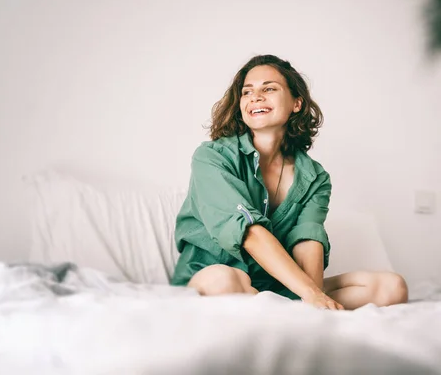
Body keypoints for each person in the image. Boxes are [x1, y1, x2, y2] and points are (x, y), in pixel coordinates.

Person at [171, 55, 408, 310]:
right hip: (214, 277)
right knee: (224, 281)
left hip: (277, 286)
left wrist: (314, 299)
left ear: (296, 103)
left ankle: (285, 311)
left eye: (269, 88)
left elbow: (308, 239)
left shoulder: (315, 177)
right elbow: (248, 231)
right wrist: (309, 293)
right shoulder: (212, 157)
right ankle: (283, 309)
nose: (255, 97)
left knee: (392, 287)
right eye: (247, 92)